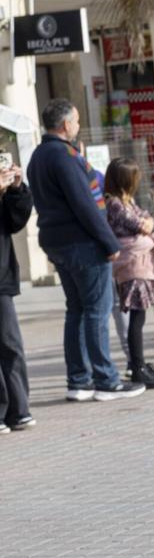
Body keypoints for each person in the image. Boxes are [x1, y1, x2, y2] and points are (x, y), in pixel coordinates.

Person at [27, 100, 145, 402]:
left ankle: (79, 380)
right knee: (96, 310)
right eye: (76, 120)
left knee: (77, 310)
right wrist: (109, 242)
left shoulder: (40, 155)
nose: (78, 125)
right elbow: (85, 204)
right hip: (81, 243)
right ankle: (106, 380)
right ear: (65, 125)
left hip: (57, 240)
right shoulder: (64, 157)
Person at [104, 158, 154, 389]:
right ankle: (137, 366)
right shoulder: (114, 204)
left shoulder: (127, 201)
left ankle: (138, 364)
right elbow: (139, 224)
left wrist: (150, 221)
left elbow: (146, 217)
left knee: (139, 316)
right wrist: (149, 225)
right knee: (136, 316)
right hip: (132, 265)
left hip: (140, 264)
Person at [0, 161, 33, 432]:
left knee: (11, 344)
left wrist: (16, 188)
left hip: (1, 277)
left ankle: (19, 410)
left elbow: (14, 222)